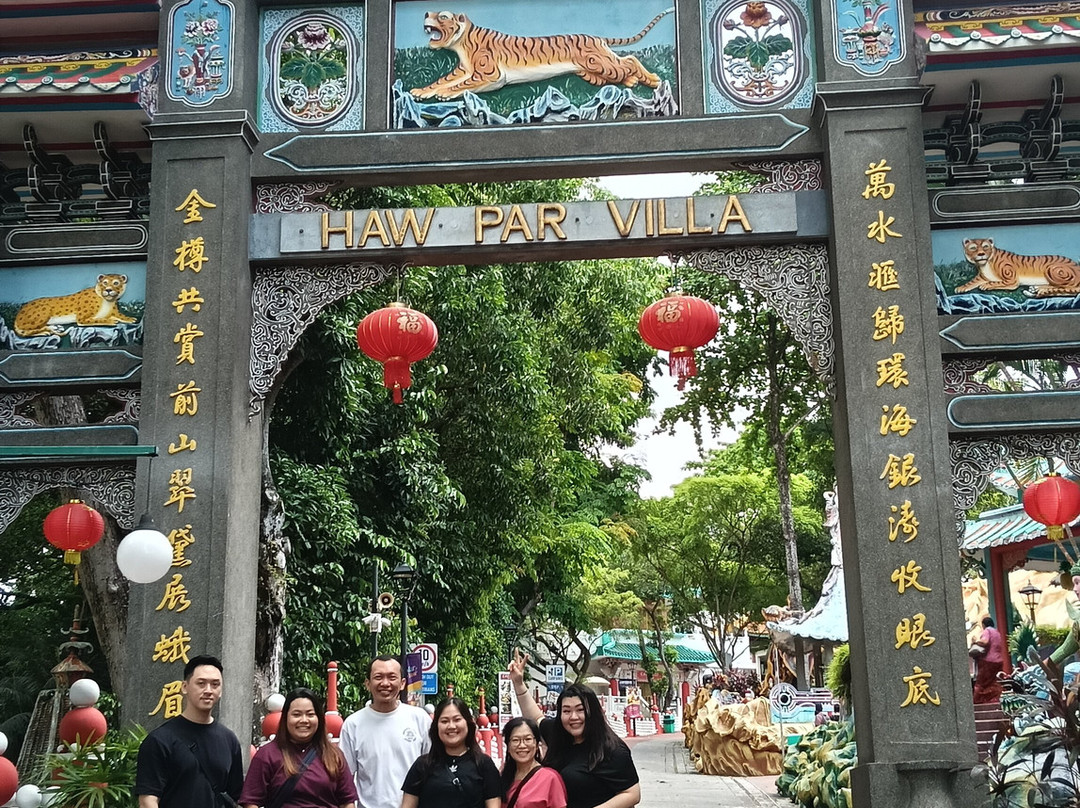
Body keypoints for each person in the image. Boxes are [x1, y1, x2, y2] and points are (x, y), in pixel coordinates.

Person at [508, 651, 640, 808]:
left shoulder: (612, 749)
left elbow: (632, 794)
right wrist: (519, 684)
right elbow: (536, 717)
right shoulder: (558, 734)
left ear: (593, 712)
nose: (573, 717)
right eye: (566, 711)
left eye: (580, 710)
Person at [135, 654, 244, 808]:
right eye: (201, 683)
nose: (208, 690)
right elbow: (148, 801)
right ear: (185, 687)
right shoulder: (159, 740)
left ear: (221, 690)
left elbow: (237, 795)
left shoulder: (229, 740)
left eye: (215, 684)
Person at [240, 687, 358, 808]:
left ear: (319, 718)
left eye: (310, 714)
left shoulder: (333, 755)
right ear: (285, 718)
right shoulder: (267, 755)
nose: (304, 720)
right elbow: (251, 802)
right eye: (296, 715)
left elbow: (347, 801)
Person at [339, 656, 430, 808]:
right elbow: (344, 780)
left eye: (392, 677)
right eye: (378, 677)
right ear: (368, 684)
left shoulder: (420, 719)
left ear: (402, 683)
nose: (385, 683)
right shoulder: (353, 724)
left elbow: (432, 769)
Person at [401, 697, 502, 808]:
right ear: (436, 726)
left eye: (457, 720)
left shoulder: (484, 764)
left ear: (468, 723)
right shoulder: (422, 765)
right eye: (444, 721)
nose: (451, 726)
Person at [500, 717, 566, 808]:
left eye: (528, 739)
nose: (522, 745)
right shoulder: (503, 777)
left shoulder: (550, 778)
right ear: (508, 746)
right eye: (515, 740)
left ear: (536, 744)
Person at [970, 616, 1005, 704]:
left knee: (981, 683)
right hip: (998, 661)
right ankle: (995, 699)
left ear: (983, 625)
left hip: (988, 661)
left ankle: (977, 702)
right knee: (992, 683)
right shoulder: (997, 632)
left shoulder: (987, 631)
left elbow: (985, 642)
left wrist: (975, 642)